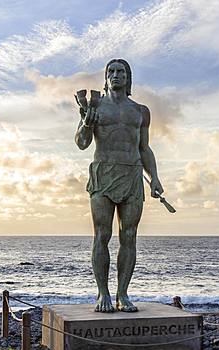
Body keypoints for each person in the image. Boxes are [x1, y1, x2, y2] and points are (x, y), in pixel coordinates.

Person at [75, 59, 163, 313]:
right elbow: (81, 143)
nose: (116, 75)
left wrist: (155, 177)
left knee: (129, 236)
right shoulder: (95, 105)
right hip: (103, 173)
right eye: (111, 71)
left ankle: (122, 293)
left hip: (132, 174)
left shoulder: (141, 111)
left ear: (128, 77)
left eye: (121, 71)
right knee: (102, 235)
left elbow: (144, 148)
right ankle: (102, 293)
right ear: (105, 78)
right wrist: (86, 122)